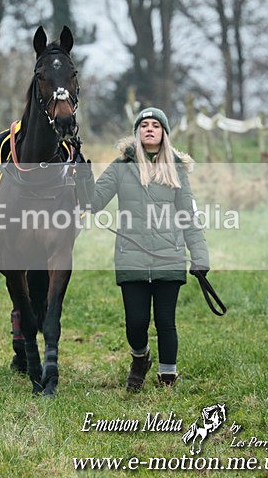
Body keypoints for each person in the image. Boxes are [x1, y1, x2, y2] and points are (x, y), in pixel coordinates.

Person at [75, 107, 209, 391]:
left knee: (165, 322)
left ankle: (167, 377)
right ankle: (140, 358)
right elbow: (93, 204)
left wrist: (200, 256)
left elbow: (188, 215)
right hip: (131, 255)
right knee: (136, 322)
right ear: (137, 133)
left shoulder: (177, 170)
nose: (150, 129)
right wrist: (83, 180)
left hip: (168, 255)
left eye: (156, 125)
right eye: (144, 125)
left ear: (164, 134)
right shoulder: (120, 167)